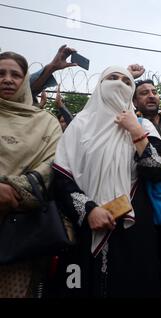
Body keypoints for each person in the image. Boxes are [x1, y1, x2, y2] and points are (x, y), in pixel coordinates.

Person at [53, 66, 161, 297]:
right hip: (87, 226)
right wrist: (89, 211)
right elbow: (61, 178)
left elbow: (157, 170)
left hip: (134, 225)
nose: (118, 84)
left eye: (126, 82)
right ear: (99, 85)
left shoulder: (144, 126)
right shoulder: (79, 126)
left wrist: (135, 130)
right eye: (112, 78)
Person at [0, 51, 62, 298]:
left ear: (24, 81)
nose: (7, 79)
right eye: (1, 73)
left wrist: (12, 190)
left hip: (19, 234)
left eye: (15, 74)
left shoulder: (46, 123)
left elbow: (52, 166)